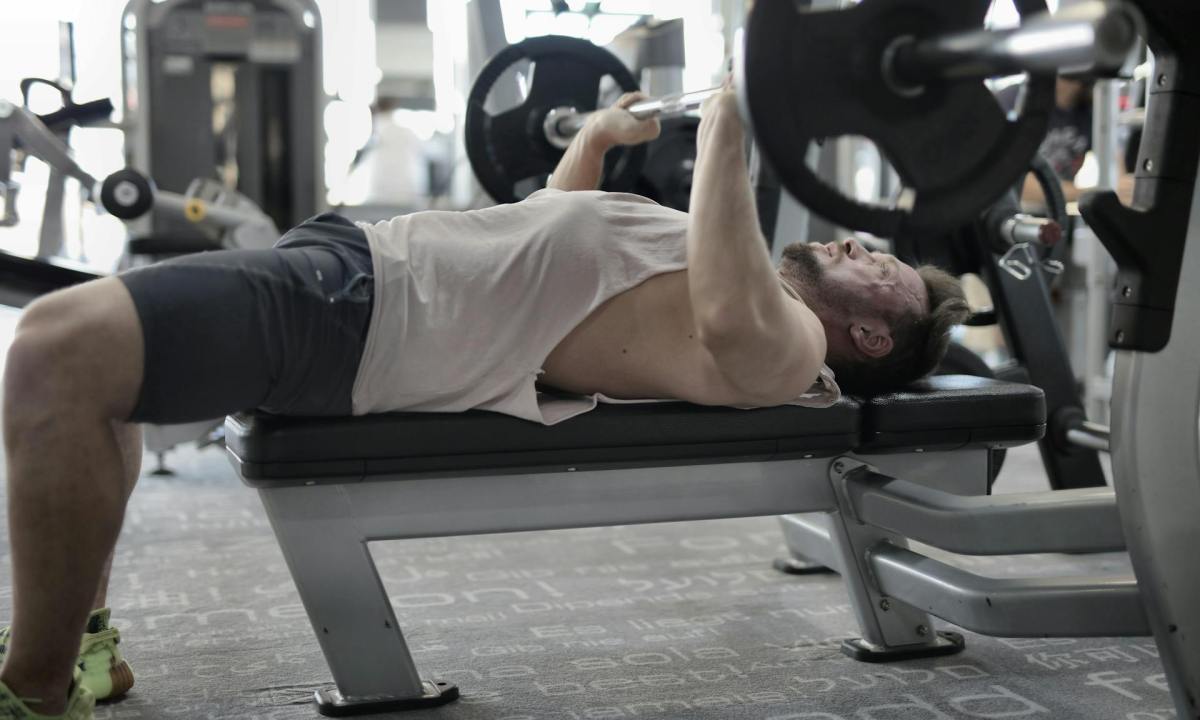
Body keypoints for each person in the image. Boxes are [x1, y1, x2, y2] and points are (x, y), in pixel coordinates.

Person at [0, 86, 968, 718]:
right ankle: (80, 646)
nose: (857, 247)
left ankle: (36, 687)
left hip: (367, 319)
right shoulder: (746, 276)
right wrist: (594, 137)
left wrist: (731, 129)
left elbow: (723, 313)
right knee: (105, 375)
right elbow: (550, 231)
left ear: (872, 339)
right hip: (359, 277)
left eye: (881, 270)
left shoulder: (787, 345)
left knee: (55, 349)